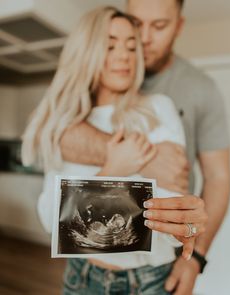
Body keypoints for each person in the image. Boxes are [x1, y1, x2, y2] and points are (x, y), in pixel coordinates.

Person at [22, 6, 207, 295]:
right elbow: (50, 219)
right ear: (86, 51)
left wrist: (186, 226)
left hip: (150, 281)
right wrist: (112, 167)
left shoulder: (158, 108)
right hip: (81, 277)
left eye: (131, 47)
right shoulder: (65, 123)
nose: (124, 55)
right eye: (110, 45)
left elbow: (172, 207)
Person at [59, 1, 230, 294]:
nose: (144, 38)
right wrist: (137, 156)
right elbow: (62, 138)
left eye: (160, 26)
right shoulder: (84, 93)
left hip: (156, 261)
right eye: (136, 25)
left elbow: (218, 178)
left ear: (179, 26)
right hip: (84, 267)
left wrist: (195, 259)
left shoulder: (199, 89)